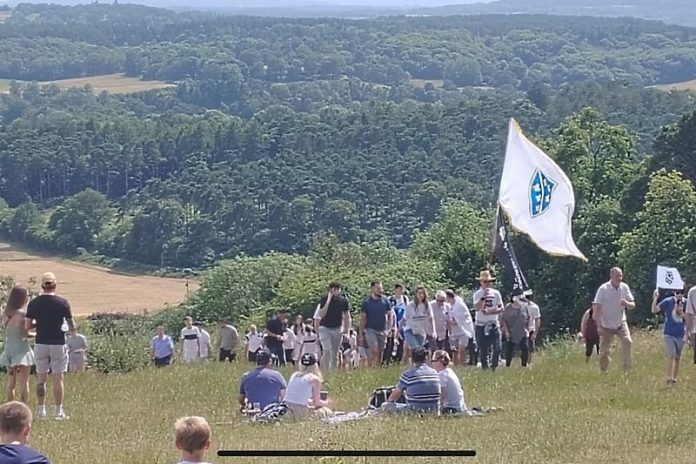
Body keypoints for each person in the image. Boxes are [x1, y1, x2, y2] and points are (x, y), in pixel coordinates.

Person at [25, 272, 73, 420]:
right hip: (58, 343)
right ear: (55, 285)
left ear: (42, 285)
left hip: (41, 342)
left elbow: (28, 326)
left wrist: (39, 323)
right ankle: (58, 411)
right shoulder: (63, 303)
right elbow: (71, 325)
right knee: (58, 378)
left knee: (41, 378)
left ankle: (41, 410)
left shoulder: (34, 303)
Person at [593, 267, 635, 373]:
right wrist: (599, 326)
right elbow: (597, 308)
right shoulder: (603, 289)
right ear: (611, 276)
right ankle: (603, 371)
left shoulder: (624, 287)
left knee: (627, 341)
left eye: (621, 275)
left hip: (621, 322)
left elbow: (633, 304)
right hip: (606, 325)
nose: (620, 278)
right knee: (604, 351)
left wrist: (627, 303)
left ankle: (627, 370)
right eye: (617, 276)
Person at [0, 287, 34, 404]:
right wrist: (36, 333)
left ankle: (10, 405)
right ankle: (23, 407)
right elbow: (26, 334)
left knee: (11, 383)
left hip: (9, 349)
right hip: (22, 350)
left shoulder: (6, 313)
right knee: (24, 383)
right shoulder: (22, 314)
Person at [383, 346, 441, 414]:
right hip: (434, 411)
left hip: (414, 411)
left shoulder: (408, 375)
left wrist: (389, 403)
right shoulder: (434, 372)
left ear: (412, 359)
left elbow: (394, 396)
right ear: (426, 358)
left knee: (384, 406)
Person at [652, 289, 686, 384]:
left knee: (677, 357)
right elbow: (654, 310)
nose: (679, 295)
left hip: (681, 334)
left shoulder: (687, 303)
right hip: (669, 333)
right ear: (674, 292)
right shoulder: (668, 301)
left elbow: (690, 318)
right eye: (677, 292)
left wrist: (682, 314)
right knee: (671, 354)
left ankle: (674, 378)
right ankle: (669, 377)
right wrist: (655, 298)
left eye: (681, 292)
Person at [284, 353, 332, 419]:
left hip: (287, 409)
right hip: (300, 411)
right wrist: (327, 403)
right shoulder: (314, 379)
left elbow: (296, 397)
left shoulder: (294, 375)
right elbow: (317, 402)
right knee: (327, 411)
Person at [472, 270, 504, 371]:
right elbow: (476, 308)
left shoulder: (496, 293)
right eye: (485, 281)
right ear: (481, 282)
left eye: (489, 281)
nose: (487, 284)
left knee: (497, 347)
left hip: (493, 323)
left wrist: (491, 312)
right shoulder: (477, 294)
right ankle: (485, 368)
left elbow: (501, 308)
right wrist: (483, 298)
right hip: (481, 325)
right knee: (483, 349)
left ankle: (494, 366)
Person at [317, 282, 351, 372]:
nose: (336, 291)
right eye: (334, 289)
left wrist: (347, 331)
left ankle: (333, 372)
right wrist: (328, 300)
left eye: (338, 289)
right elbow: (321, 314)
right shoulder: (324, 299)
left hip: (337, 328)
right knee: (327, 349)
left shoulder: (343, 301)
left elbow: (347, 316)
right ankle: (326, 371)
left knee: (335, 353)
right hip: (325, 328)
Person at [360, 281, 394, 367]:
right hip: (370, 330)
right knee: (374, 350)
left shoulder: (385, 301)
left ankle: (377, 368)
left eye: (381, 288)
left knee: (380, 352)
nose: (380, 290)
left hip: (382, 330)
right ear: (372, 288)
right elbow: (363, 319)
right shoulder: (367, 302)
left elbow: (390, 315)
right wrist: (361, 334)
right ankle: (370, 368)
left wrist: (389, 328)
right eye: (378, 288)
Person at [430, 350, 468, 415]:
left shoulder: (441, 375)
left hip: (452, 408)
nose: (432, 363)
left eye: (433, 361)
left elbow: (443, 395)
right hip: (460, 406)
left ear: (439, 362)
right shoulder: (449, 371)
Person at [401, 286, 435, 356]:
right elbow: (404, 318)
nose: (421, 295)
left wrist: (434, 331)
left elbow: (431, 318)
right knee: (416, 349)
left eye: (423, 293)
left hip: (421, 331)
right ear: (416, 294)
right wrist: (398, 329)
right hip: (410, 330)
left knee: (419, 352)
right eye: (419, 293)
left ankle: (416, 362)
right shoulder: (410, 305)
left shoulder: (427, 305)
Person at [501, 289, 531, 368]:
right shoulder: (508, 307)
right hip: (511, 332)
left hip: (522, 332)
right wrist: (506, 331)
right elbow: (504, 320)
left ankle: (524, 366)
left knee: (525, 349)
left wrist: (527, 329)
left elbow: (528, 318)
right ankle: (508, 365)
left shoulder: (524, 307)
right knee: (509, 350)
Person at [446, 290, 474, 366]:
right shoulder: (447, 306)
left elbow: (464, 317)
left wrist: (456, 321)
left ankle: (463, 365)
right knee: (454, 351)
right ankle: (456, 367)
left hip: (463, 330)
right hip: (454, 332)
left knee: (462, 348)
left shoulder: (460, 305)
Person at [386, 284, 409, 365]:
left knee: (401, 344)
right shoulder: (390, 300)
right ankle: (388, 360)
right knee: (391, 343)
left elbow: (407, 311)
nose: (400, 291)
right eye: (398, 289)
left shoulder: (405, 299)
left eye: (401, 290)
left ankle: (398, 361)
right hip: (392, 324)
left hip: (402, 325)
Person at [525, 294, 541, 366]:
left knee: (530, 348)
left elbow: (537, 320)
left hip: (530, 329)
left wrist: (535, 333)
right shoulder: (519, 306)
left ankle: (529, 364)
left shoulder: (534, 307)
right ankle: (523, 363)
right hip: (521, 329)